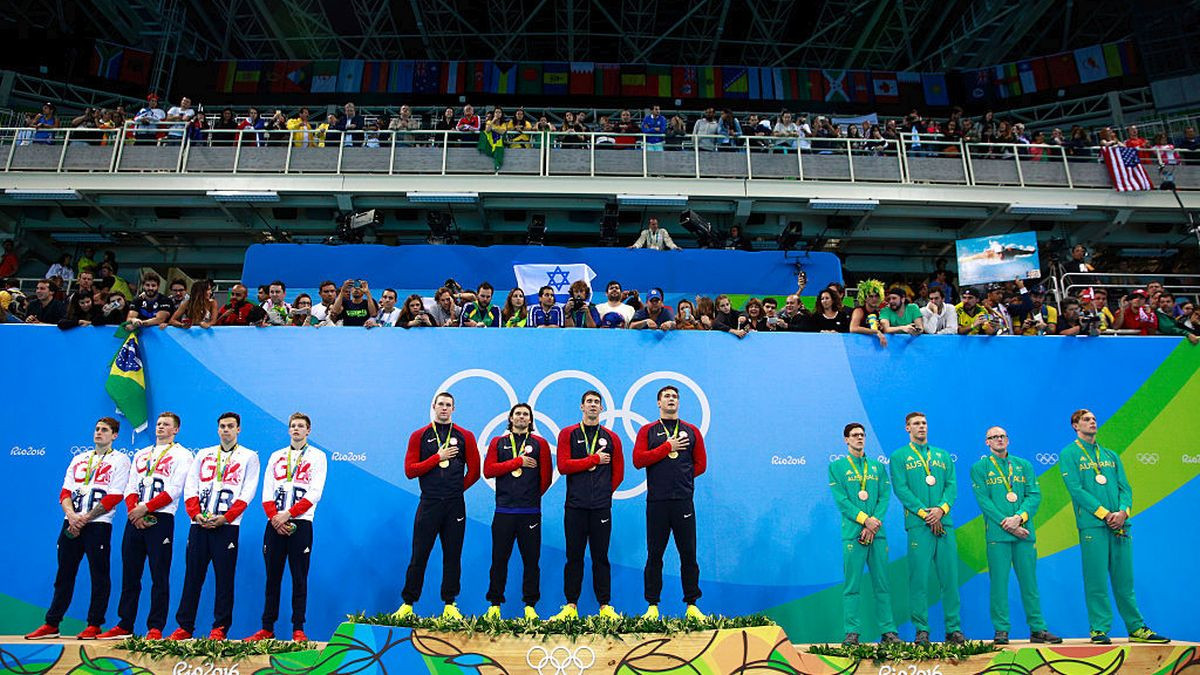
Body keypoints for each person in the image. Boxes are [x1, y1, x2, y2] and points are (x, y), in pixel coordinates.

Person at [1059, 410, 1170, 645]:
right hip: (1094, 525)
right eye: (1087, 419)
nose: (1092, 422)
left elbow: (1125, 488)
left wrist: (1122, 512)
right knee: (1096, 579)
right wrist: (1105, 514)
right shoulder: (1069, 454)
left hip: (1120, 525)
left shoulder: (1110, 455)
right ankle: (1099, 629)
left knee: (1125, 580)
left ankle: (1137, 628)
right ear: (1075, 425)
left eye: (1094, 419)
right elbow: (1076, 490)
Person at [24, 418, 132, 641]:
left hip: (99, 524)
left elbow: (115, 495)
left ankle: (94, 624)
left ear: (115, 435)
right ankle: (52, 623)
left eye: (104, 430)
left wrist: (87, 517)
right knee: (64, 574)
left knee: (99, 575)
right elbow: (65, 493)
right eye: (97, 429)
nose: (98, 433)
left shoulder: (120, 460)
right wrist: (72, 516)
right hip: (71, 523)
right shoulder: (79, 458)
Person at [97, 413, 193, 640]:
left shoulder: (183, 455)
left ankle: (155, 627)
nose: (160, 427)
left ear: (175, 430)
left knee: (159, 576)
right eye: (158, 424)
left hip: (160, 519)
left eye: (166, 425)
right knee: (130, 574)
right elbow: (130, 486)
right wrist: (134, 511)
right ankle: (124, 624)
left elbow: (175, 489)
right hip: (134, 519)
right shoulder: (142, 454)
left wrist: (146, 508)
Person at [169, 412, 260, 641]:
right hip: (199, 524)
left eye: (230, 426)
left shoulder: (249, 456)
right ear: (217, 429)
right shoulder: (204, 454)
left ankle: (220, 627)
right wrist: (195, 514)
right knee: (192, 577)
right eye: (222, 426)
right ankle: (184, 627)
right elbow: (191, 486)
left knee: (224, 579)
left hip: (226, 526)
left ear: (239, 429)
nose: (226, 430)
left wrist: (226, 518)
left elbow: (248, 492)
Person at [396, 393, 481, 619]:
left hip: (454, 505)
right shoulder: (419, 436)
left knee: (453, 555)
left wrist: (455, 491)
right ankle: (408, 603)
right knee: (419, 554)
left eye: (448, 405)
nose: (444, 408)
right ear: (433, 406)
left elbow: (475, 472)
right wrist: (437, 457)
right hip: (429, 503)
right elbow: (410, 471)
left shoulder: (466, 436)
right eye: (440, 404)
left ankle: (450, 604)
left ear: (454, 408)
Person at [244, 413, 327, 642]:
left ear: (308, 431)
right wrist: (275, 518)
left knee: (299, 578)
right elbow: (267, 491)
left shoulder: (318, 457)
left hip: (301, 523)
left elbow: (315, 492)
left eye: (301, 426)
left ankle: (298, 628)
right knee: (272, 578)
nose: (296, 429)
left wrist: (288, 515)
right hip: (274, 524)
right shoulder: (276, 456)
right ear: (288, 430)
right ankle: (267, 628)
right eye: (293, 426)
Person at [632, 386, 707, 620]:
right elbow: (638, 460)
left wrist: (681, 478)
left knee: (688, 554)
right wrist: (667, 448)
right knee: (654, 554)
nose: (671, 399)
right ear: (658, 402)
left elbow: (701, 465)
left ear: (679, 402)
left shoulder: (692, 430)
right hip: (657, 502)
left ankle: (692, 604)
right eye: (667, 396)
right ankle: (652, 605)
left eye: (675, 397)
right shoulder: (648, 431)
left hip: (683, 502)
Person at [889, 412, 964, 645]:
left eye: (924, 423)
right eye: (916, 424)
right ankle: (922, 629)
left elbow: (951, 486)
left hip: (944, 523)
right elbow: (901, 489)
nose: (921, 427)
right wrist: (925, 514)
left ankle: (954, 629)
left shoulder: (942, 455)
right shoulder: (899, 456)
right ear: (907, 429)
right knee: (919, 580)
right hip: (919, 525)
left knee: (950, 579)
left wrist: (941, 509)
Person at [549, 390, 624, 621]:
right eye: (589, 402)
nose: (593, 405)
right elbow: (563, 466)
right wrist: (593, 460)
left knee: (601, 557)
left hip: (601, 507)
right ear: (581, 407)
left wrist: (603, 492)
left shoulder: (611, 437)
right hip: (575, 507)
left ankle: (605, 606)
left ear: (601, 409)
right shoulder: (568, 434)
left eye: (596, 403)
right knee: (574, 557)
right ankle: (571, 606)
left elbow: (619, 473)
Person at [830, 423, 900, 646]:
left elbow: (884, 497)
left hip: (876, 534)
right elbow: (842, 501)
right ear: (846, 440)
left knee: (883, 584)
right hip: (853, 534)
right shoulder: (837, 467)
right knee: (852, 586)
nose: (859, 438)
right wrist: (864, 521)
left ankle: (888, 632)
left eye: (862, 435)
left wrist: (874, 523)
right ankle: (852, 632)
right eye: (854, 435)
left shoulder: (877, 467)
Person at [483, 404, 553, 619]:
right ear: (510, 418)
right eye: (518, 414)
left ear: (531, 420)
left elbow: (546, 478)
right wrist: (518, 461)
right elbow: (488, 470)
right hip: (504, 511)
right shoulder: (498, 442)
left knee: (531, 561)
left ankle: (530, 606)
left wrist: (530, 497)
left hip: (530, 512)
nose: (522, 417)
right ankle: (495, 605)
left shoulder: (540, 444)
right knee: (499, 559)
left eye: (526, 414)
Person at [850, 280, 888, 347]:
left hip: (874, 347)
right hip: (858, 345)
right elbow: (853, 328)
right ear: (865, 298)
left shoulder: (878, 312)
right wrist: (876, 332)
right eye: (870, 296)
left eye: (876, 296)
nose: (874, 299)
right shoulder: (859, 311)